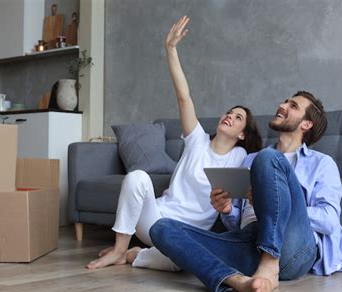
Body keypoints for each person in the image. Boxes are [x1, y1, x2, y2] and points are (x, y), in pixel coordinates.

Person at [150, 89, 342, 292]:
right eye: (286, 101)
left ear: (306, 124)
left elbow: (329, 220)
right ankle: (237, 281)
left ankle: (270, 262)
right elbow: (238, 223)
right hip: (248, 246)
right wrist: (227, 210)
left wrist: (271, 202)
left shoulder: (321, 163)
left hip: (292, 248)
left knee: (268, 157)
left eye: (293, 106)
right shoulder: (249, 159)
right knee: (161, 228)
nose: (283, 105)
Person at [86, 16, 262, 270]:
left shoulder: (240, 157)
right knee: (137, 177)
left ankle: (134, 256)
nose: (229, 117)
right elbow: (184, 97)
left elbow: (242, 201)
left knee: (186, 262)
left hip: (187, 235)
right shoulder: (197, 140)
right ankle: (119, 249)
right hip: (156, 220)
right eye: (229, 112)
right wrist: (170, 49)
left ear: (243, 134)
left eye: (238, 118)